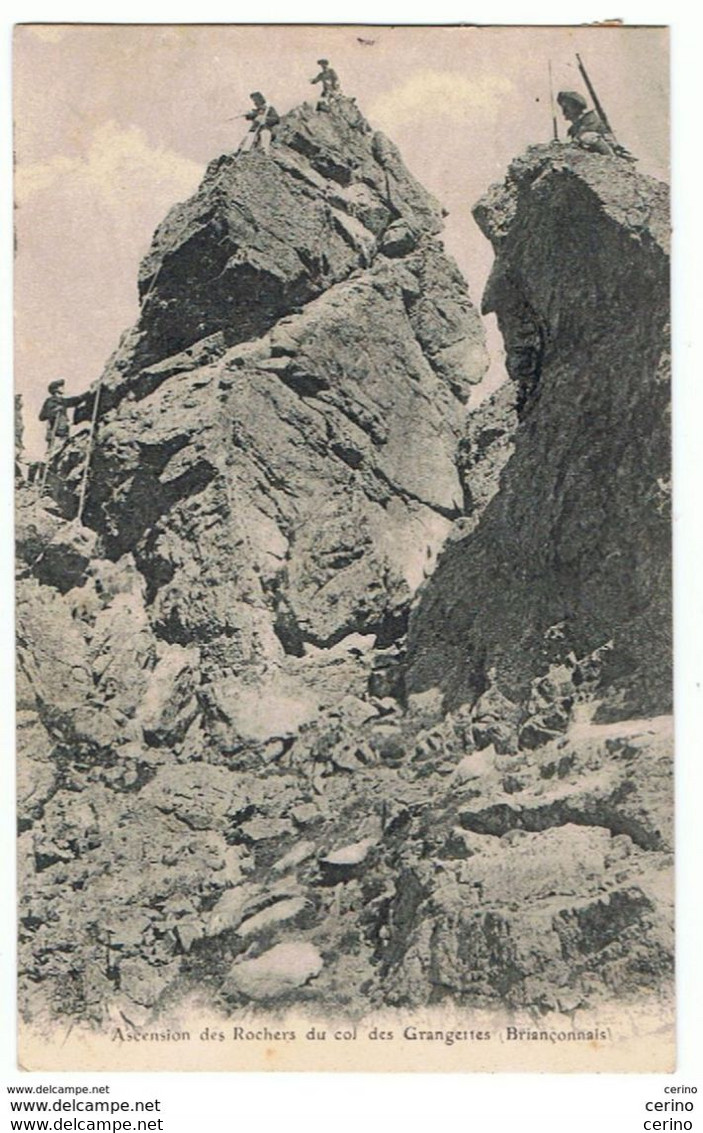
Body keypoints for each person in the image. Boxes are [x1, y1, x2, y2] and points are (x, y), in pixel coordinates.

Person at [556, 90, 618, 156]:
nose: (564, 112)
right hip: (591, 153)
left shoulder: (590, 118)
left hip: (608, 148)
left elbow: (586, 133)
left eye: (567, 107)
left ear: (576, 107)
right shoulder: (573, 128)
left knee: (587, 137)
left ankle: (611, 157)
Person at [38, 379, 88, 450]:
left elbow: (75, 400)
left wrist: (89, 393)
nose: (63, 388)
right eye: (61, 387)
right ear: (56, 390)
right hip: (55, 432)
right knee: (53, 451)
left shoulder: (62, 401)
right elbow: (41, 417)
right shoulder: (50, 401)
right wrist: (54, 411)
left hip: (64, 430)